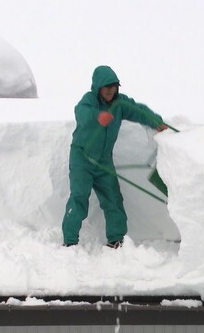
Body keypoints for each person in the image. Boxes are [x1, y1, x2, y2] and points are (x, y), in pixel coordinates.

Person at [62, 65, 167, 249]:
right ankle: (69, 241)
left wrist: (156, 121)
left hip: (103, 160)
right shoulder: (89, 100)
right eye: (107, 86)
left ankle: (116, 239)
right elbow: (81, 112)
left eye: (114, 86)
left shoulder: (119, 104)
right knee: (79, 198)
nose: (111, 90)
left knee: (113, 199)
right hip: (82, 158)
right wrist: (98, 116)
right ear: (98, 87)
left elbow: (137, 110)